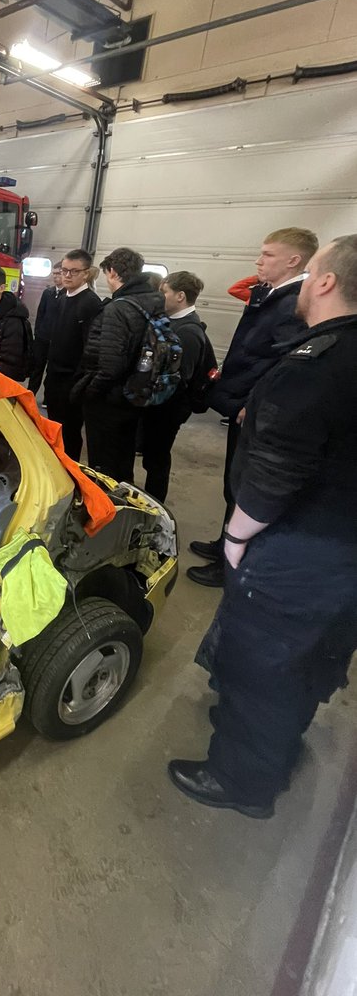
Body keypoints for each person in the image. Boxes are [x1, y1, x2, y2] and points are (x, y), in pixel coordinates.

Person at [169, 235, 357, 819]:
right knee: (315, 654)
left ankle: (242, 779)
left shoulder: (318, 361)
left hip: (299, 549)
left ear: (322, 281)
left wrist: (237, 536)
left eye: (311, 274)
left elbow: (278, 470)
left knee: (261, 665)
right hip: (342, 548)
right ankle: (282, 740)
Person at [188, 226, 319, 586]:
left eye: (268, 255)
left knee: (246, 486)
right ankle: (223, 542)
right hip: (241, 401)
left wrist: (253, 401)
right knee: (234, 481)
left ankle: (232, 564)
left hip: (253, 408)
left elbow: (284, 359)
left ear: (294, 260)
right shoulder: (272, 294)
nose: (258, 261)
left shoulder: (295, 302)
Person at [72, 247, 164, 484]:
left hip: (109, 402)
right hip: (134, 394)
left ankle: (106, 512)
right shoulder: (152, 300)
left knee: (103, 467)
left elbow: (110, 366)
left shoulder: (118, 308)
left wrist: (90, 392)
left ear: (113, 272)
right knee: (123, 462)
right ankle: (125, 506)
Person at [140, 271, 211, 503]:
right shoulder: (174, 322)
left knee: (157, 458)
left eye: (164, 292)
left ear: (180, 296)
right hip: (160, 404)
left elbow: (180, 379)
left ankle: (154, 504)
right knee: (152, 456)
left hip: (168, 409)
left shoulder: (188, 332)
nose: (160, 297)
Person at [41, 249, 103, 460]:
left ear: (86, 273)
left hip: (72, 381)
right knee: (54, 429)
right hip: (55, 376)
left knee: (70, 433)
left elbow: (91, 350)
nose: (67, 275)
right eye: (64, 270)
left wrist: (78, 385)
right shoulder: (62, 298)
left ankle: (71, 473)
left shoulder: (90, 304)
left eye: (73, 271)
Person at [28, 263, 64, 396]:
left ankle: (48, 398)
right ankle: (30, 393)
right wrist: (37, 333)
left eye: (58, 273)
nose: (55, 277)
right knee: (37, 367)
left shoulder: (67, 295)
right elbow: (41, 313)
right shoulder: (48, 293)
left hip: (57, 340)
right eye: (54, 273)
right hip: (42, 337)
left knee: (51, 371)